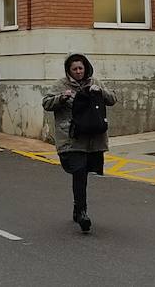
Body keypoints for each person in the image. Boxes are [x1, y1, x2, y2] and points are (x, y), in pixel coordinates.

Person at [43, 53, 117, 233]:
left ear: (86, 68)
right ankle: (83, 211)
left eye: (80, 68)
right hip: (71, 138)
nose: (78, 72)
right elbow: (46, 102)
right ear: (69, 70)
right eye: (74, 69)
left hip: (92, 139)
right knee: (79, 172)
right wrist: (62, 97)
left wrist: (100, 92)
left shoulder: (95, 82)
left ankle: (78, 208)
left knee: (84, 173)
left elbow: (113, 99)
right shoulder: (61, 85)